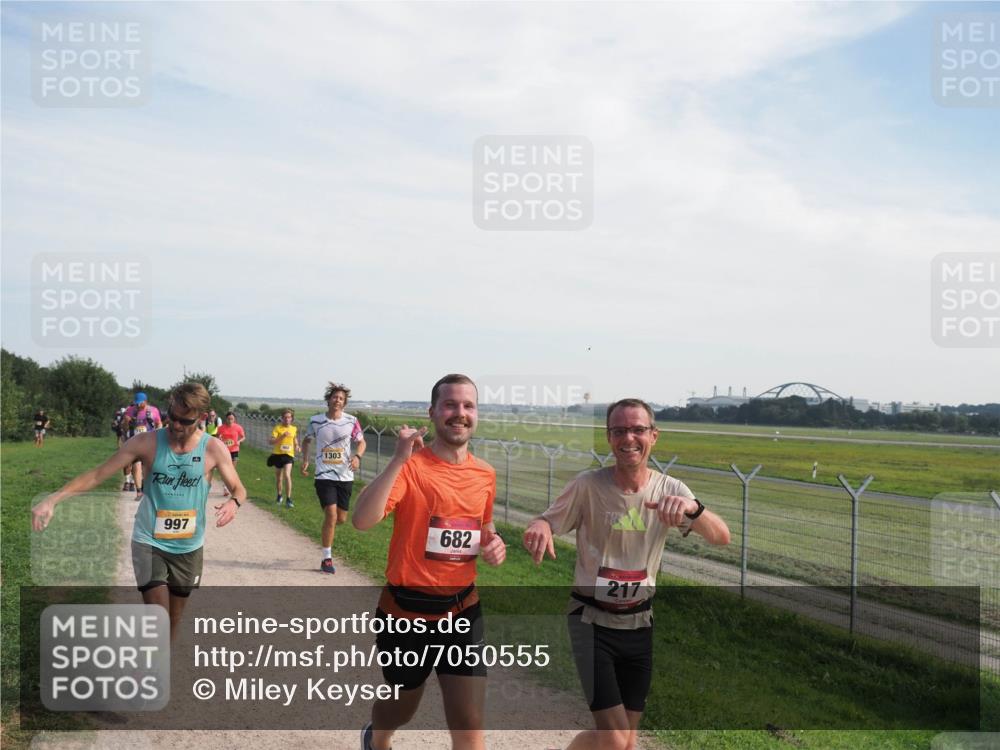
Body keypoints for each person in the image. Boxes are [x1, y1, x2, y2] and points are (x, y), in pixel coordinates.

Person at [522, 398, 731, 750]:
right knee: (615, 740)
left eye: (638, 430)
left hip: (639, 624)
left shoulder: (671, 491)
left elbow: (721, 537)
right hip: (591, 621)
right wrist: (540, 526)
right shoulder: (588, 485)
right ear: (608, 437)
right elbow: (546, 519)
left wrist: (694, 510)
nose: (629, 438)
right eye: (619, 431)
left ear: (654, 435)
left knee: (626, 742)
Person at [353, 374, 507, 750]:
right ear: (433, 412)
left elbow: (482, 526)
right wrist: (397, 460)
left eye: (468, 406)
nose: (460, 413)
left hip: (462, 609)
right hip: (406, 614)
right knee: (401, 707)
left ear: (477, 414)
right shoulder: (411, 467)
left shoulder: (485, 474)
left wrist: (493, 542)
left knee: (469, 725)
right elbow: (362, 520)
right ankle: (378, 737)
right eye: (451, 405)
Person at [31, 382, 247, 642]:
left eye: (184, 420)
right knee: (158, 615)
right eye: (172, 417)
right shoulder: (146, 442)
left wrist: (234, 503)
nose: (176, 425)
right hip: (149, 541)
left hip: (189, 546)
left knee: (173, 620)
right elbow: (98, 474)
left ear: (201, 417)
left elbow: (238, 488)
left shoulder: (213, 448)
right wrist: (53, 499)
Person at [301, 382, 366, 574]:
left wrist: (357, 456)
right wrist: (305, 459)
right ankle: (326, 559)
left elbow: (361, 442)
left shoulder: (352, 421)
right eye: (334, 397)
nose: (337, 400)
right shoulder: (316, 421)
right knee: (331, 514)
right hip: (323, 474)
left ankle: (327, 530)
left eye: (341, 398)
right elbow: (306, 440)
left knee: (341, 519)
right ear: (328, 400)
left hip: (345, 476)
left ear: (344, 403)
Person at [122, 392, 163, 500]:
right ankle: (139, 492)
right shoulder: (130, 411)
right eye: (136, 403)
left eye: (140, 403)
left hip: (149, 442)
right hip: (135, 442)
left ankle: (148, 487)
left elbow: (159, 423)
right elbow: (125, 428)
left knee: (150, 467)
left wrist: (159, 431)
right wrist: (126, 422)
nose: (137, 406)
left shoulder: (153, 411)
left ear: (145, 401)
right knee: (136, 466)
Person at [268, 409, 300, 508]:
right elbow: (271, 441)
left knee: (287, 475)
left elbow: (295, 439)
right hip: (278, 455)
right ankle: (279, 495)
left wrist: (297, 446)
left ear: (292, 419)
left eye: (289, 417)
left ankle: (289, 499)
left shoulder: (294, 428)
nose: (287, 419)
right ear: (282, 418)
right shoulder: (277, 428)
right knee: (279, 478)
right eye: (285, 417)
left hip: (289, 455)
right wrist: (282, 436)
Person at [215, 412, 246, 497]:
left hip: (234, 450)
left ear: (234, 419)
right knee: (225, 469)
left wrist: (239, 441)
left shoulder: (238, 427)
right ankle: (226, 487)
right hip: (224, 450)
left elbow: (243, 437)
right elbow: (217, 437)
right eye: (228, 419)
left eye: (232, 419)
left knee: (232, 469)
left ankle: (230, 487)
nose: (230, 420)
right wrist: (219, 439)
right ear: (226, 419)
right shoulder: (221, 428)